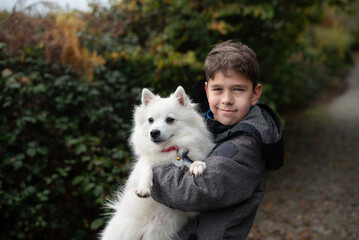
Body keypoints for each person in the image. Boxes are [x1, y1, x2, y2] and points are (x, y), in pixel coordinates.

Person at [150, 40, 284, 240]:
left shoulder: (246, 146)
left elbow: (195, 191)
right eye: (218, 89)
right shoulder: (209, 126)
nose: (227, 99)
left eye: (238, 89)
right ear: (207, 91)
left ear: (255, 94)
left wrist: (147, 171)